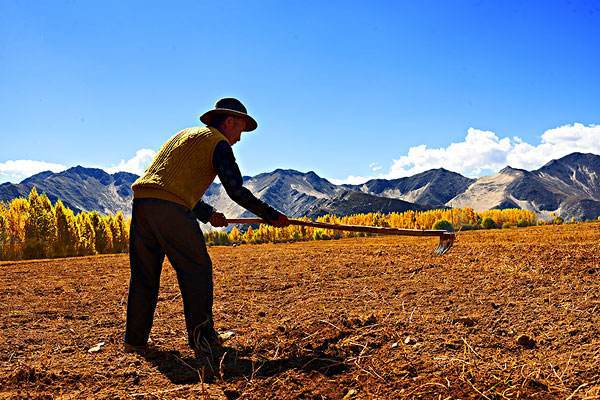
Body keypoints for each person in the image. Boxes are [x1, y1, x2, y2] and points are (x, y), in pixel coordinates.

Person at [124, 98, 289, 356]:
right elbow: (235, 191)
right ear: (230, 121)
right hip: (170, 209)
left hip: (143, 203)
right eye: (240, 130)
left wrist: (208, 213)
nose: (239, 138)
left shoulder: (186, 135)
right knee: (197, 269)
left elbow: (170, 185)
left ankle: (134, 340)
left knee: (144, 276)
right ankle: (203, 338)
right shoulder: (218, 143)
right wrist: (270, 215)